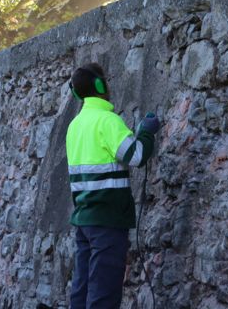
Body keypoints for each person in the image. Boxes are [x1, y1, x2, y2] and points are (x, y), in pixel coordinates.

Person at [66, 63, 160, 309]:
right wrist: (146, 133)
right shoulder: (107, 121)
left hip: (83, 220)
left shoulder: (74, 126)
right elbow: (136, 155)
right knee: (103, 295)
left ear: (76, 93)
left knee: (82, 289)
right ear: (99, 85)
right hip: (107, 221)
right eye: (105, 80)